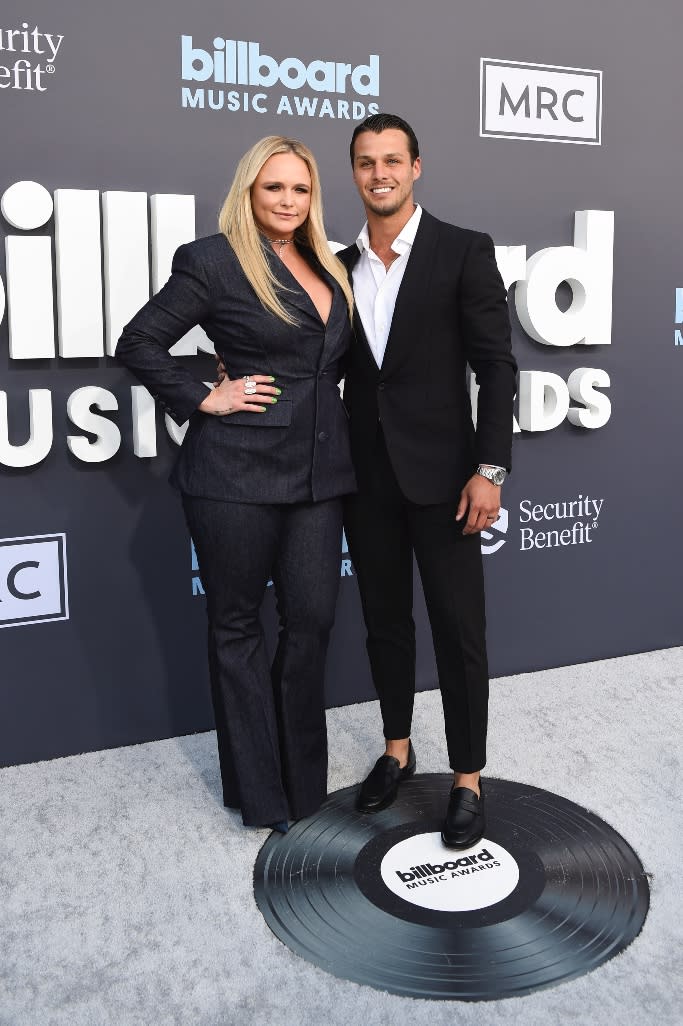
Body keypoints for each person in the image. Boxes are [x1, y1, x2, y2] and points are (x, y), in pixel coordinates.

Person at [116, 136, 355, 832]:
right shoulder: (213, 261)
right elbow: (138, 341)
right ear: (249, 192)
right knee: (237, 627)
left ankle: (304, 786)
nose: (287, 201)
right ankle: (261, 794)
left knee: (310, 620)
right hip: (232, 473)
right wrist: (202, 398)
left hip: (319, 471)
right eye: (273, 188)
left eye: (300, 189)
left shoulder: (328, 264)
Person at [338, 113, 517, 849]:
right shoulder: (336, 263)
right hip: (364, 477)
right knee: (384, 623)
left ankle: (467, 778)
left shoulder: (461, 250)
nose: (378, 173)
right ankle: (396, 749)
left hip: (448, 480)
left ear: (416, 168)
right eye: (364, 162)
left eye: (391, 160)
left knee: (457, 631)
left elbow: (496, 366)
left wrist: (488, 468)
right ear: (352, 173)